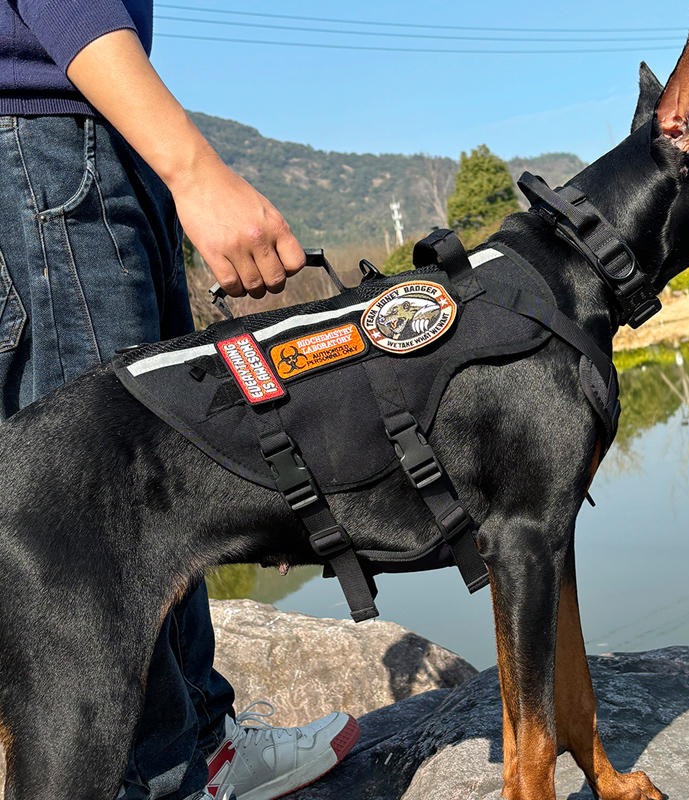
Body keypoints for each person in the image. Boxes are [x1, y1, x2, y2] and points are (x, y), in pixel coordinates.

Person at [0, 2, 358, 799]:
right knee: (99, 523)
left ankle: (203, 742)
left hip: (87, 149)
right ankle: (162, 779)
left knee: (163, 494)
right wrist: (195, 168)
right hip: (45, 153)